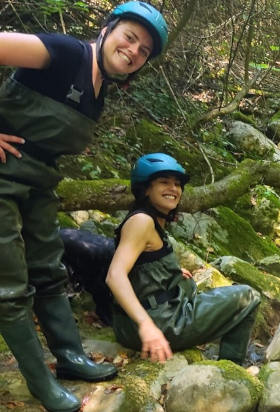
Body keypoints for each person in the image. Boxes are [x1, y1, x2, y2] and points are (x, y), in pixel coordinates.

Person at [0, 3, 168, 411]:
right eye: (130, 37)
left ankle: (71, 357)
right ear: (108, 29)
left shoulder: (99, 91)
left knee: (48, 271)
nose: (133, 51)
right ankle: (40, 382)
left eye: (143, 50)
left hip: (39, 184)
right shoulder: (65, 53)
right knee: (10, 287)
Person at [106, 153, 262, 366]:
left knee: (187, 284)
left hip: (137, 322)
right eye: (164, 182)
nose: (173, 189)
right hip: (158, 323)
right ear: (145, 189)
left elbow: (143, 263)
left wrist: (171, 272)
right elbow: (115, 275)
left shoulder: (152, 219)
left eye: (177, 184)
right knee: (249, 295)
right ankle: (229, 368)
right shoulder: (142, 221)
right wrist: (146, 326)